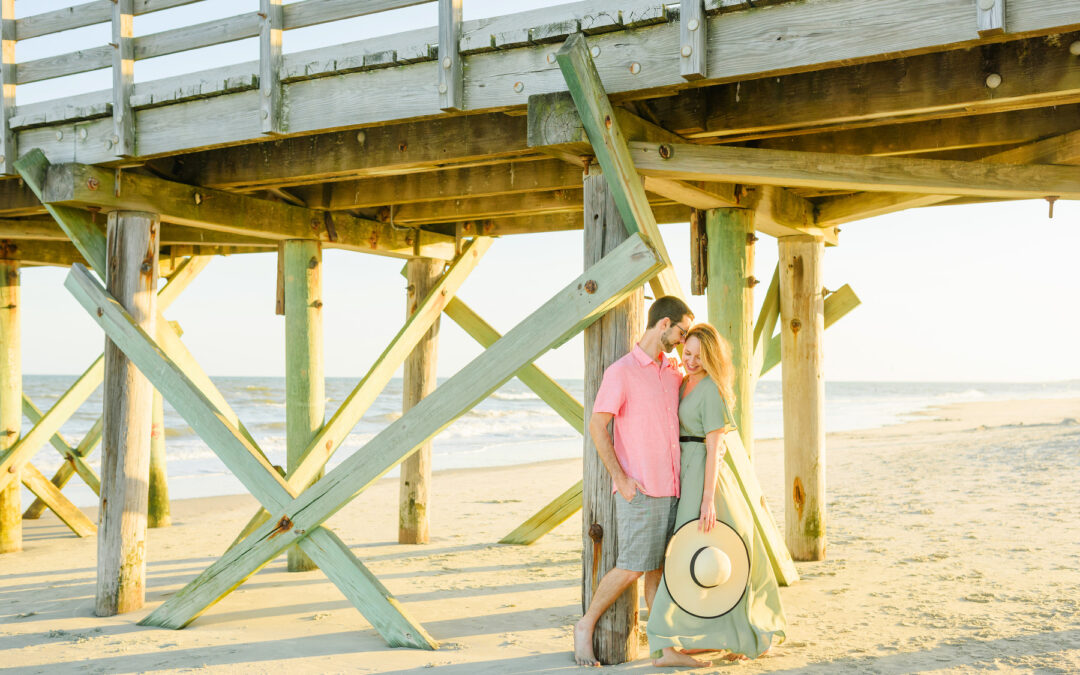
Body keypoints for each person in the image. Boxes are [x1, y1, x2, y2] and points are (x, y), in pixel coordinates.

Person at [647, 323, 786, 667]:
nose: (690, 360)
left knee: (716, 553)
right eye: (687, 353)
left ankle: (682, 641)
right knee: (690, 554)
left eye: (698, 355)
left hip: (705, 480)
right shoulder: (683, 382)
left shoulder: (711, 389)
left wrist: (707, 498)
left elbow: (715, 447)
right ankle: (677, 642)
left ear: (711, 357)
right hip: (686, 475)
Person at [573, 296, 693, 667]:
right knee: (632, 566)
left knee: (657, 570)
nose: (683, 340)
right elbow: (597, 425)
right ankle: (584, 626)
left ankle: (663, 650)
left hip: (672, 488)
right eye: (682, 332)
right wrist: (621, 479)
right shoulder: (621, 371)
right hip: (640, 489)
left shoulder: (672, 372)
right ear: (664, 324)